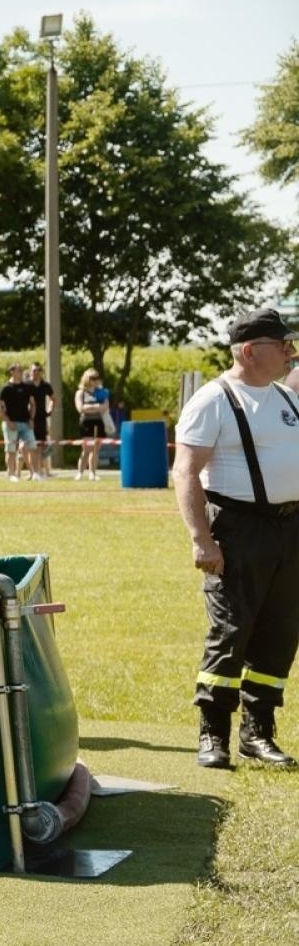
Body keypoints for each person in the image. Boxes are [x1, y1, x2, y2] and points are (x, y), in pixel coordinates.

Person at [173, 307, 299, 770]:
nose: (291, 351)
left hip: (290, 529)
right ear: (249, 350)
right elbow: (185, 472)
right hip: (239, 527)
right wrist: (201, 539)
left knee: (280, 631)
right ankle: (213, 733)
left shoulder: (288, 399)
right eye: (282, 344)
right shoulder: (214, 400)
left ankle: (258, 733)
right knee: (231, 630)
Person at [0, 363, 36, 482]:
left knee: (32, 447)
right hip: (11, 423)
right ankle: (11, 474)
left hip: (26, 423)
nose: (21, 372)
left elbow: (33, 404)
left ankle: (33, 473)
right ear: (11, 372)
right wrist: (7, 421)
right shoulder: (5, 388)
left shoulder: (27, 387)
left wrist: (31, 418)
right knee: (11, 449)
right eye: (18, 370)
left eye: (22, 370)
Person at [74, 369, 107, 480]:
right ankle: (80, 472)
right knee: (87, 449)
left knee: (95, 449)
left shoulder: (101, 392)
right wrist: (96, 407)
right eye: (93, 378)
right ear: (87, 379)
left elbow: (105, 407)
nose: (95, 380)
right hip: (86, 423)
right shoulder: (80, 392)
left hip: (99, 422)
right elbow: (80, 408)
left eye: (97, 378)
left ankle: (93, 473)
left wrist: (90, 408)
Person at [26, 362, 55, 479]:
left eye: (38, 370)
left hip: (42, 419)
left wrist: (49, 410)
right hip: (28, 419)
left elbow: (53, 399)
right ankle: (32, 472)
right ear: (30, 372)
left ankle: (39, 471)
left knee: (40, 447)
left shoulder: (46, 386)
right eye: (34, 370)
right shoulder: (26, 385)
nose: (36, 373)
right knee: (30, 446)